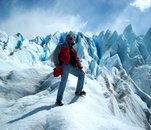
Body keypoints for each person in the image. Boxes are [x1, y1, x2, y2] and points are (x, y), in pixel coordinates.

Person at [53, 34, 86, 106]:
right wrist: (57, 65)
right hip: (65, 66)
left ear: (72, 40)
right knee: (63, 82)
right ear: (66, 39)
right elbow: (55, 54)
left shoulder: (73, 50)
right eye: (68, 38)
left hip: (73, 67)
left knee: (82, 74)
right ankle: (58, 100)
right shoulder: (61, 45)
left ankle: (78, 91)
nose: (69, 39)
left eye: (71, 38)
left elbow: (77, 59)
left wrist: (80, 66)